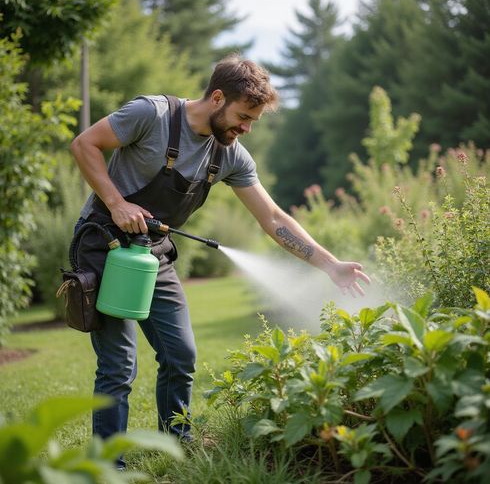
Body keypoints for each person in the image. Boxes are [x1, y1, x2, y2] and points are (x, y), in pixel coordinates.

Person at [70, 54, 370, 466]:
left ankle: (177, 442)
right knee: (118, 364)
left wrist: (330, 264)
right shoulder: (150, 115)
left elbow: (273, 217)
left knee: (181, 355)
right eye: (243, 116)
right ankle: (106, 465)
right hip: (105, 245)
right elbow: (85, 143)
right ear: (216, 98)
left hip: (153, 252)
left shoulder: (229, 154)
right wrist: (116, 201)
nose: (246, 128)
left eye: (253, 121)